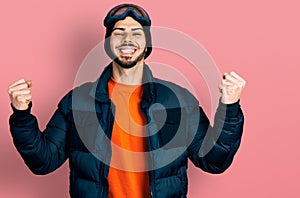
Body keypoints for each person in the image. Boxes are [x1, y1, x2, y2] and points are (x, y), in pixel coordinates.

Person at [8, 3, 246, 198]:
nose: (127, 39)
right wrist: (21, 114)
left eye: (136, 33)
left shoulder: (179, 101)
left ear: (146, 45)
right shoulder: (77, 102)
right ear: (108, 42)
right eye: (119, 32)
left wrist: (230, 107)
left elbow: (214, 161)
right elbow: (43, 161)